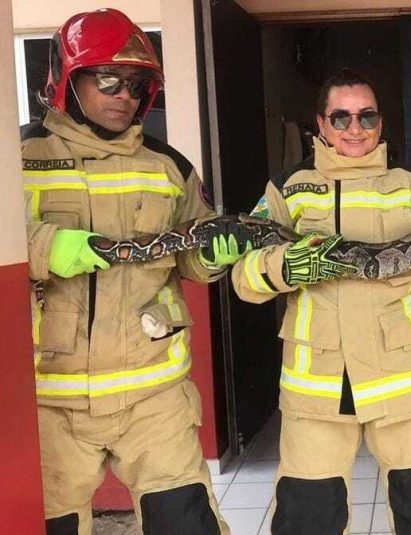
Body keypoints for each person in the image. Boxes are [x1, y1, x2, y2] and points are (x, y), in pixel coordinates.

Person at [232, 68, 411, 534]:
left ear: (381, 123)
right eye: (340, 118)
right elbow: (243, 278)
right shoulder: (285, 188)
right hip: (316, 384)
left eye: (367, 116)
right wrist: (281, 267)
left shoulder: (410, 186)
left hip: (402, 378)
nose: (355, 128)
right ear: (319, 124)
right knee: (308, 519)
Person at [22, 9, 246, 534]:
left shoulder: (170, 166)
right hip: (48, 397)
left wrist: (213, 256)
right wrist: (48, 246)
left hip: (155, 393)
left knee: (188, 523)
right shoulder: (17, 159)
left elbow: (193, 253)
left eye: (137, 83)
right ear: (67, 79)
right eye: (108, 80)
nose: (125, 94)